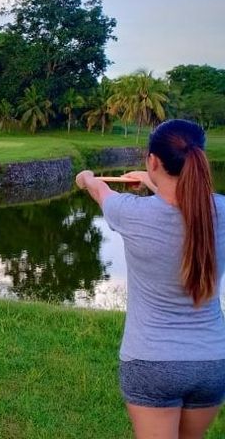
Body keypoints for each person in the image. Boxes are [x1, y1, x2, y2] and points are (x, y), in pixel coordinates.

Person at [76, 119, 225, 439]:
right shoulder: (222, 212)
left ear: (154, 160)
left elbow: (99, 190)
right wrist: (152, 180)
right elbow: (189, 202)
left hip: (151, 362)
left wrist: (85, 177)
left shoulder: (130, 212)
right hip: (212, 361)